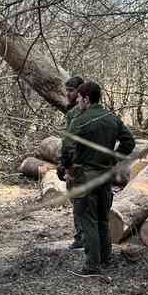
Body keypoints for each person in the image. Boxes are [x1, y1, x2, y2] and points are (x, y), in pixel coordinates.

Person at [60, 81, 135, 276]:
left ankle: (92, 265)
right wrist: (113, 157)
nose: (77, 101)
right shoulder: (112, 118)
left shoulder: (80, 121)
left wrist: (68, 169)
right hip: (106, 175)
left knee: (88, 220)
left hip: (86, 176)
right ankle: (106, 259)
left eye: (79, 98)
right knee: (103, 218)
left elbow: (67, 149)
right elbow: (129, 142)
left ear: (86, 98)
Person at [62, 75, 84, 249]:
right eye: (66, 90)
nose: (67, 94)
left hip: (78, 165)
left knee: (78, 200)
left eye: (71, 90)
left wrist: (66, 166)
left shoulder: (75, 113)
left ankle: (80, 237)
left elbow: (69, 143)